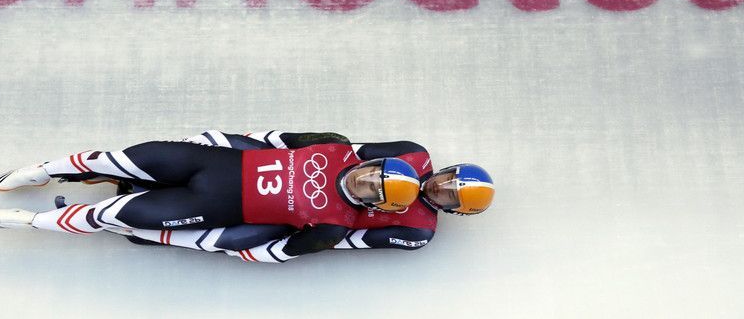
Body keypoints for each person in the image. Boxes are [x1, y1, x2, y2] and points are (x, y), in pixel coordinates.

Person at [0, 135, 421, 260]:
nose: (363, 182)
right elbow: (265, 137)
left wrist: (208, 242)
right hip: (209, 165)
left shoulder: (335, 225)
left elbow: (275, 251)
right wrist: (209, 139)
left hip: (206, 209)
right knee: (117, 158)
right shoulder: (334, 146)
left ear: (375, 206)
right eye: (370, 175)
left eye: (371, 191)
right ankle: (44, 172)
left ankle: (22, 222)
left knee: (108, 215)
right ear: (367, 163)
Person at [117, 131, 495, 263]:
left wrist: (305, 235)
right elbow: (350, 154)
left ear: (453, 212)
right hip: (298, 177)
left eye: (448, 196)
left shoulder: (417, 232)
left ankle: (150, 232)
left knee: (234, 241)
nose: (438, 188)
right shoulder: (411, 153)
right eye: (447, 179)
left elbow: (348, 242)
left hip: (306, 218)